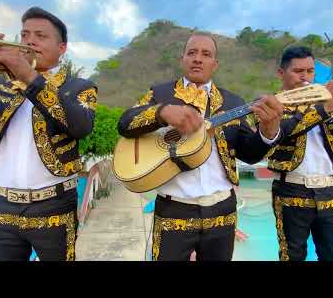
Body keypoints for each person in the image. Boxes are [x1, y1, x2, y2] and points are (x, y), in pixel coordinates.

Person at [0, 7, 97, 261]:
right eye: (24, 35)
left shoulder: (78, 87)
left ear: (62, 48)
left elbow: (80, 126)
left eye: (40, 35)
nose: (29, 41)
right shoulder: (0, 83)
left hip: (54, 206)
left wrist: (27, 75)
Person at [118, 32, 284, 261]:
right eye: (192, 53)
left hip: (222, 210)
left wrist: (268, 131)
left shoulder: (233, 102)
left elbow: (250, 154)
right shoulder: (161, 93)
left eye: (206, 54)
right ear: (182, 59)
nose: (198, 58)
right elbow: (125, 122)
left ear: (215, 64)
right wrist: (161, 112)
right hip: (173, 208)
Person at [266, 46, 333, 261]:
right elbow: (282, 133)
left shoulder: (330, 102)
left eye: (310, 71)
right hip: (292, 190)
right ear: (281, 73)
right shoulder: (273, 104)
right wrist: (324, 108)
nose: (305, 77)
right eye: (298, 71)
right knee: (291, 256)